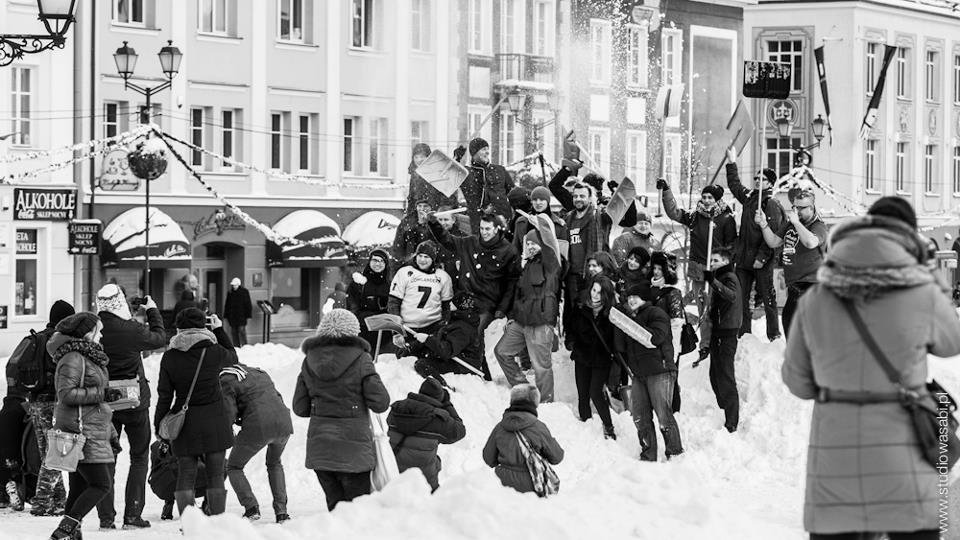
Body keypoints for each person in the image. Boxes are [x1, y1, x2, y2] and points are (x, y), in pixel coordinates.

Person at [782, 197, 960, 540]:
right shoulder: (918, 290)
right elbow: (952, 342)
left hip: (836, 463)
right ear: (908, 238)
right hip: (904, 459)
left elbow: (797, 383)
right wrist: (931, 277)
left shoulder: (816, 299)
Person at [292, 309, 390, 511]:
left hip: (321, 451)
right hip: (354, 453)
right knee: (357, 514)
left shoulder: (309, 361)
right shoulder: (362, 360)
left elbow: (300, 408)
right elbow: (380, 402)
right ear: (353, 331)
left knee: (336, 511)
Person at [154, 308, 237, 517]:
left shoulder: (170, 357)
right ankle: (218, 522)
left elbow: (164, 395)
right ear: (203, 327)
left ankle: (190, 526)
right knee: (215, 474)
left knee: (186, 473)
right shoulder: (215, 351)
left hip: (185, 424)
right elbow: (233, 358)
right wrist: (219, 330)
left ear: (179, 329)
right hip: (215, 420)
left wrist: (159, 425)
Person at [95, 283, 166, 530]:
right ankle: (133, 516)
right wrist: (152, 311)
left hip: (104, 402)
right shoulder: (131, 330)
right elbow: (159, 337)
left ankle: (106, 518)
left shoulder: (93, 330)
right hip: (134, 401)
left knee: (106, 457)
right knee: (139, 456)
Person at [45, 313, 116, 540]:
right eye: (99, 330)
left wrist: (111, 431)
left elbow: (97, 402)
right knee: (101, 484)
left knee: (79, 487)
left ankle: (72, 535)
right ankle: (63, 531)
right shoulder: (74, 357)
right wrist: (101, 393)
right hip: (80, 430)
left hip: (91, 427)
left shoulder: (89, 356)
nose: (102, 334)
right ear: (87, 333)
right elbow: (65, 394)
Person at [427, 210, 519, 378]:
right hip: (466, 298)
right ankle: (477, 369)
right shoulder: (471, 243)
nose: (484, 232)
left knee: (474, 330)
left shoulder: (508, 251)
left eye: (488, 229)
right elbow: (448, 241)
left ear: (497, 229)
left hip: (488, 302)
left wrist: (503, 308)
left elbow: (512, 282)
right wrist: (434, 223)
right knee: (464, 331)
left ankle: (474, 369)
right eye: (482, 228)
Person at [4, 299, 74, 516]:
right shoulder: (61, 341)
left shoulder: (37, 338)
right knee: (57, 454)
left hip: (35, 402)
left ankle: (59, 499)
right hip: (56, 402)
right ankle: (42, 501)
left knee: (48, 452)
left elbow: (12, 368)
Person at [658, 178, 737, 360]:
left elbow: (732, 246)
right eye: (704, 197)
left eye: (710, 197)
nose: (707, 200)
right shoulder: (695, 217)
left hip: (718, 272)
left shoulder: (726, 218)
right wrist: (667, 191)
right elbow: (674, 212)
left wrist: (722, 265)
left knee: (719, 309)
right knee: (704, 310)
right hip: (699, 272)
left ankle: (721, 342)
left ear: (717, 200)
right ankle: (705, 345)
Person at [613, 283, 683, 461]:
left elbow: (656, 337)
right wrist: (620, 322)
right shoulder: (630, 319)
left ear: (645, 298)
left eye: (635, 296)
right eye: (629, 297)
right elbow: (620, 346)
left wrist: (630, 321)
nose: (631, 300)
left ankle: (674, 453)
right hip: (638, 375)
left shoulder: (656, 313)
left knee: (663, 415)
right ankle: (648, 453)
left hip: (660, 371)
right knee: (640, 417)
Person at [494, 223, 562, 403]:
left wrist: (541, 224)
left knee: (541, 367)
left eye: (534, 243)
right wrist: (512, 318)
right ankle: (523, 388)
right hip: (521, 322)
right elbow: (520, 296)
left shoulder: (550, 264)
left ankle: (546, 402)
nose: (531, 247)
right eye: (528, 244)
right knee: (502, 352)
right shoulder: (526, 265)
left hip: (540, 322)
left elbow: (549, 244)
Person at [220, 362, 294, 523]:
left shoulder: (225, 379)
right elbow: (277, 397)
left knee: (233, 466)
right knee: (275, 463)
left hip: (258, 426)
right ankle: (282, 513)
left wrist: (228, 428)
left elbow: (229, 412)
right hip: (284, 423)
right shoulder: (260, 373)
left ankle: (251, 507)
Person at [724, 147, 784, 341]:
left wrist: (762, 258)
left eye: (762, 179)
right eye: (756, 178)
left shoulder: (771, 204)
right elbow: (735, 186)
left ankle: (773, 334)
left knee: (768, 298)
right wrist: (732, 163)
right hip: (744, 259)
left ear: (770, 183)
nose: (757, 181)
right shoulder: (750, 198)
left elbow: (773, 236)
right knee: (741, 298)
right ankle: (744, 334)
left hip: (762, 261)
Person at [756, 185, 827, 339]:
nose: (797, 211)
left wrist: (796, 223)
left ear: (811, 207)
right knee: (791, 323)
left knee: (794, 323)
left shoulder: (818, 226)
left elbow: (810, 243)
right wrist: (764, 225)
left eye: (802, 208)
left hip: (811, 284)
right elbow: (774, 242)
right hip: (794, 284)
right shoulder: (790, 224)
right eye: (795, 207)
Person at [386, 377, 466, 492]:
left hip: (392, 472)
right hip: (423, 482)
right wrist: (447, 405)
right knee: (436, 463)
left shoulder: (397, 408)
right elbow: (459, 431)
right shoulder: (437, 418)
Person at [482, 384, 564, 495]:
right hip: (532, 485)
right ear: (534, 403)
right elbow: (557, 457)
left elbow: (488, 458)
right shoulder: (539, 428)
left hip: (502, 486)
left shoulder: (500, 427)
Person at [567, 274, 618, 439]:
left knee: (595, 392)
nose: (594, 294)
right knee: (582, 393)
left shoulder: (612, 313)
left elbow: (615, 339)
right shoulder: (581, 307)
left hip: (601, 359)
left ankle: (608, 426)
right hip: (582, 355)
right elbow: (571, 328)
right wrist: (572, 343)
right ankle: (585, 423)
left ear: (606, 295)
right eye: (593, 290)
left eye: (599, 292)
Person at [702, 247, 742, 433]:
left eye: (716, 261)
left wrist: (713, 281)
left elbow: (731, 295)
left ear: (725, 262)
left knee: (725, 376)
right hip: (718, 332)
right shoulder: (721, 279)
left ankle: (732, 420)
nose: (712, 264)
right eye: (711, 261)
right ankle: (724, 408)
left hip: (727, 334)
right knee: (714, 375)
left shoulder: (729, 278)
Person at [405, 292, 483, 380]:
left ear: (460, 307)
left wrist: (427, 340)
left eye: (453, 303)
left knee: (423, 364)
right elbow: (439, 337)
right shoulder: (455, 320)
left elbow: (446, 351)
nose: (449, 304)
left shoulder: (463, 329)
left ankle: (442, 385)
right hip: (453, 357)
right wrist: (415, 346)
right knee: (422, 353)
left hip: (463, 365)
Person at [388, 241, 454, 339]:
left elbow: (446, 306)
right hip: (407, 328)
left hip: (433, 327)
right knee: (407, 354)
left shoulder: (443, 276)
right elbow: (393, 303)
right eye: (420, 255)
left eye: (426, 257)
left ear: (433, 259)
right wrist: (397, 331)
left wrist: (443, 327)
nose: (422, 259)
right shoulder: (404, 272)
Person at [455, 137, 516, 234]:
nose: (487, 152)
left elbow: (514, 194)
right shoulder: (466, 173)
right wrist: (456, 159)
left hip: (503, 222)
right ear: (474, 153)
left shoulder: (500, 170)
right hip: (480, 226)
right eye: (483, 149)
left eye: (487, 149)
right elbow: (450, 176)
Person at [347, 249, 393, 352]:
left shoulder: (391, 284)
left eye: (382, 261)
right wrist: (371, 318)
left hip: (385, 335)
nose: (378, 264)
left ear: (386, 264)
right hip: (363, 332)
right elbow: (352, 309)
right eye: (375, 260)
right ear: (369, 261)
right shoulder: (358, 283)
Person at [649, 252, 685, 364]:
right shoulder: (648, 289)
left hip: (667, 346)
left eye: (660, 269)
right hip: (649, 343)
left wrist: (672, 354)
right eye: (654, 268)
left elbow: (676, 324)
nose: (656, 272)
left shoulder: (673, 293)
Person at [405, 143, 457, 218]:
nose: (419, 160)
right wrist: (410, 216)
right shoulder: (414, 175)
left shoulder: (438, 172)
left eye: (422, 156)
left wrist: (440, 212)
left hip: (436, 215)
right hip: (419, 216)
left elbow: (448, 196)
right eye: (416, 157)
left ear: (429, 157)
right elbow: (412, 198)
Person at [392, 199, 435, 264]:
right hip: (409, 260)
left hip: (428, 260)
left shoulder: (435, 222)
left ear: (430, 208)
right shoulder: (407, 222)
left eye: (425, 206)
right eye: (419, 206)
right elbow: (399, 242)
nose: (422, 209)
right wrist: (401, 259)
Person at [223, 277, 253, 347]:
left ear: (238, 285)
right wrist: (226, 315)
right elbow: (227, 304)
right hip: (233, 316)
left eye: (235, 285)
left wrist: (248, 315)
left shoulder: (244, 292)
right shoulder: (230, 293)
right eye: (233, 285)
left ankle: (245, 346)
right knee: (234, 332)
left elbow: (248, 304)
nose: (234, 286)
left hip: (241, 316)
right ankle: (236, 346)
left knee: (241, 331)